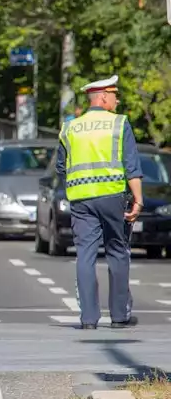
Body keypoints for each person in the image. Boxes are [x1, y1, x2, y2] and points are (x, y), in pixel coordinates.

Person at [56, 75, 143, 329]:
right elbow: (131, 166)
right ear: (103, 96)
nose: (117, 99)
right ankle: (119, 316)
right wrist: (138, 199)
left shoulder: (70, 128)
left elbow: (62, 167)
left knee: (85, 255)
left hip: (81, 200)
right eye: (114, 95)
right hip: (113, 196)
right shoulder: (118, 124)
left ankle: (88, 319)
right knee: (117, 252)